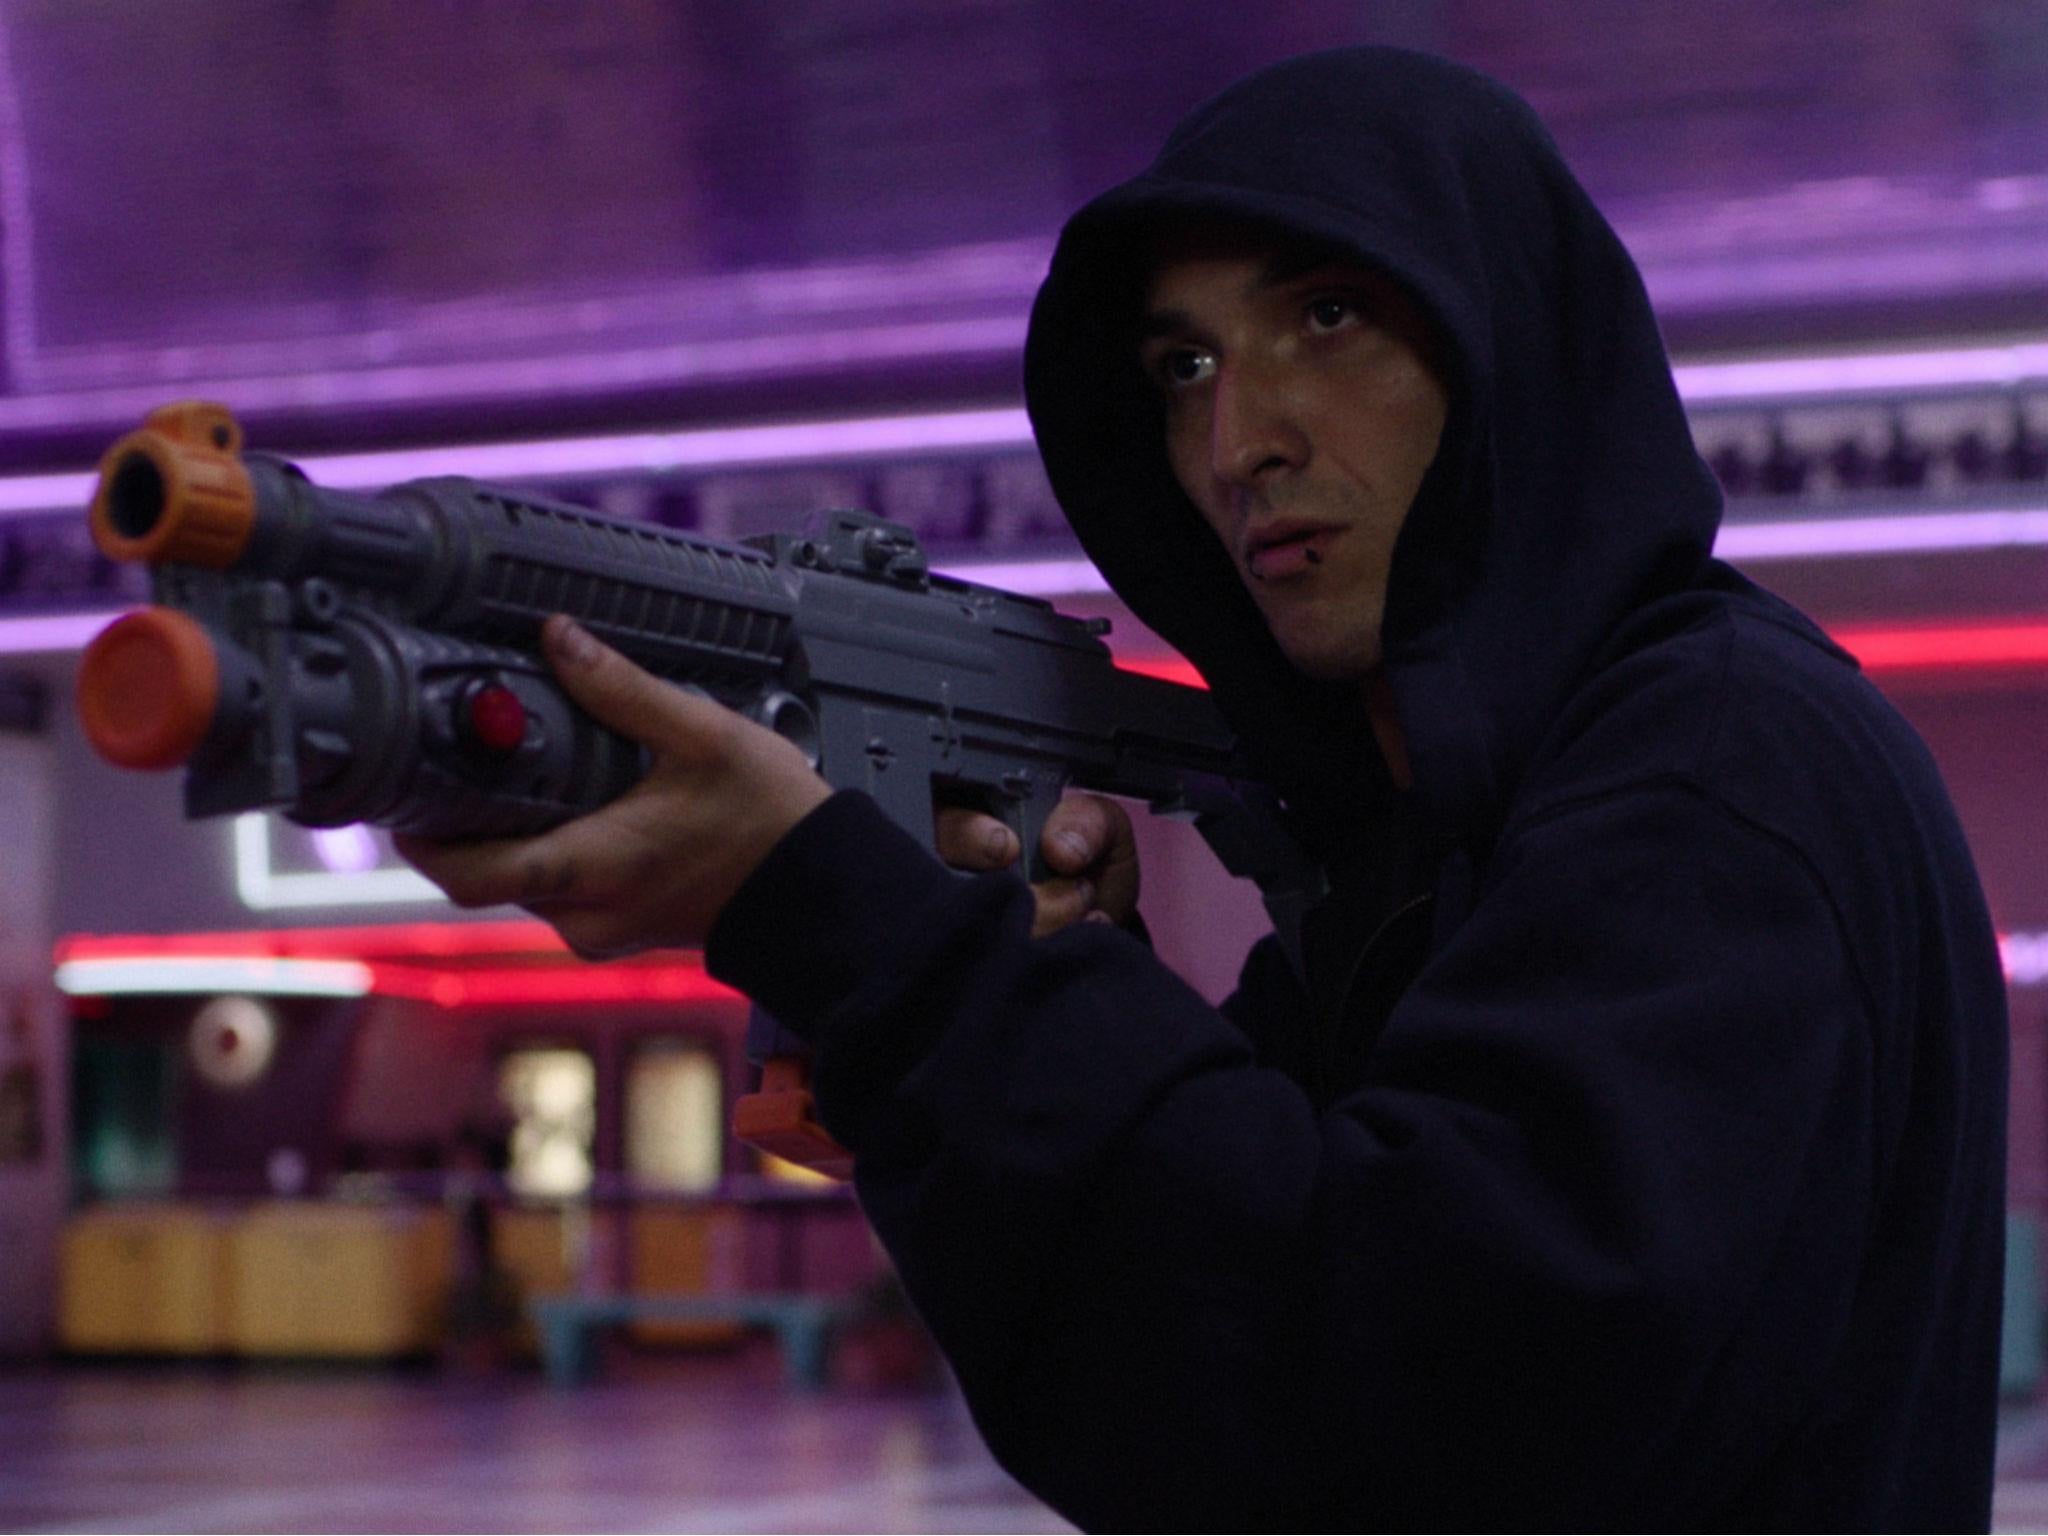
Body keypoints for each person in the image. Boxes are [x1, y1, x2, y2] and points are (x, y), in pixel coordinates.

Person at [397, 48, 2009, 1529]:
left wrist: (855, 925)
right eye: (1181, 366)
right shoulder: (1450, 830)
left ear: (1503, 332)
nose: (1240, 439)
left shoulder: (1709, 760)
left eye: (1325, 318)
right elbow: (1192, 1380)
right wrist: (1040, 986)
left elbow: (1391, 1405)